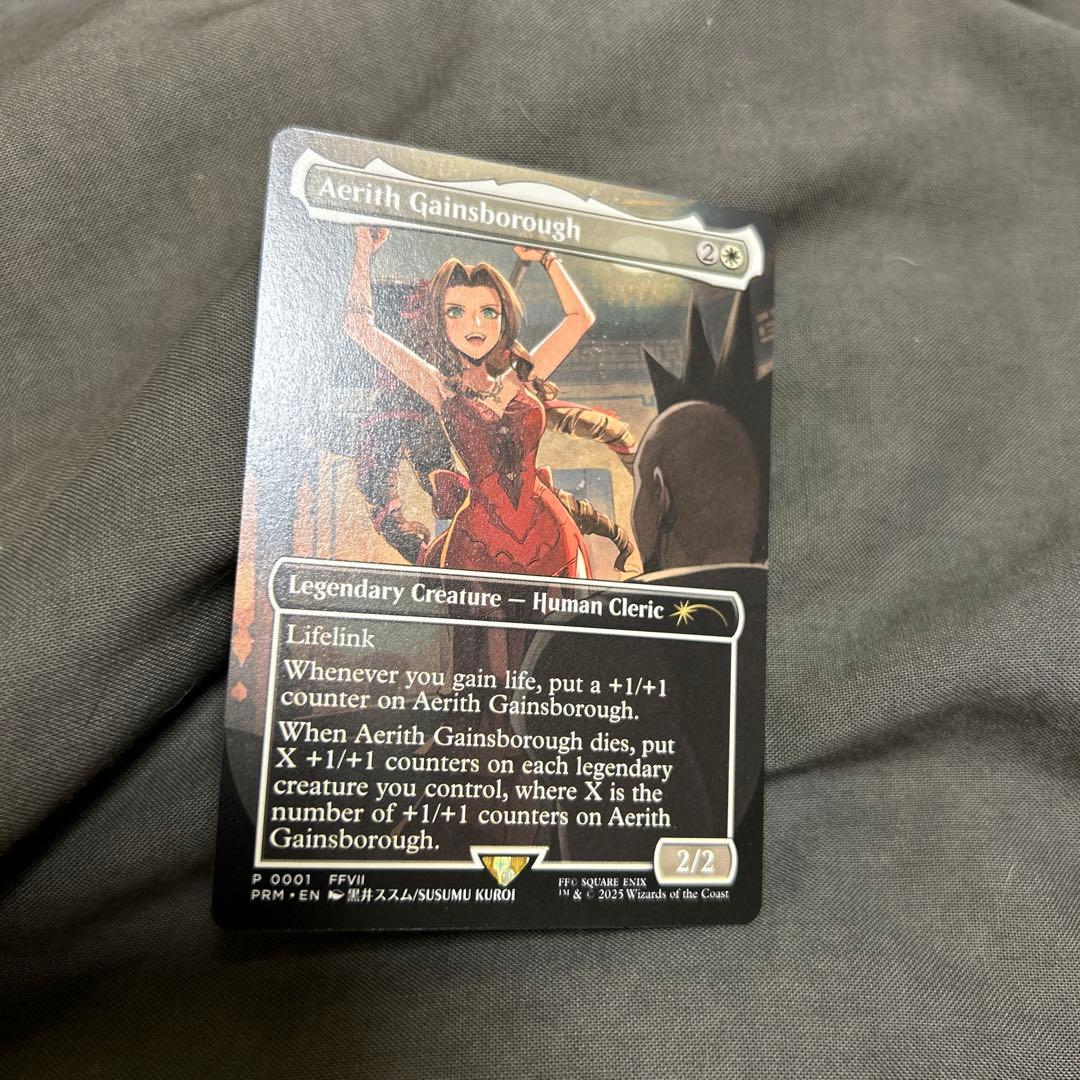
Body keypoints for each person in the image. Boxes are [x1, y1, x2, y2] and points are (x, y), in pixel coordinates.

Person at [344, 226, 597, 578]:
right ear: (440, 322)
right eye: (456, 311)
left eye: (489, 312)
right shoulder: (440, 387)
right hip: (479, 539)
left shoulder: (519, 379)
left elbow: (580, 318)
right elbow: (359, 327)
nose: (475, 323)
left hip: (548, 529)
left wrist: (546, 258)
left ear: (503, 319)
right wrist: (363, 252)